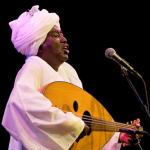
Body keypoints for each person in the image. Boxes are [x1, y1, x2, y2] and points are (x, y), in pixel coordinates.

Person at [2, 5, 141, 150]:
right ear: (40, 44)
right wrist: (71, 124)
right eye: (56, 36)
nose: (64, 39)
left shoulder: (69, 71)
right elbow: (21, 105)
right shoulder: (33, 67)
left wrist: (117, 137)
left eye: (62, 34)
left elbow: (83, 119)